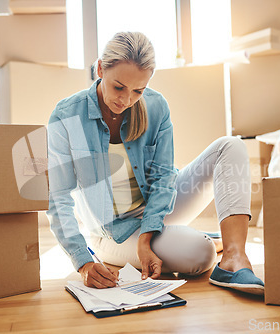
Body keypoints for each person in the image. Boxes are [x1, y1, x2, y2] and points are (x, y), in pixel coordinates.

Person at [47, 32, 264, 295]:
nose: (126, 100)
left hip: (160, 207)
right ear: (101, 69)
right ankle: (207, 241)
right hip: (114, 232)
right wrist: (83, 262)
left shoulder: (156, 105)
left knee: (232, 146)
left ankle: (233, 259)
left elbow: (163, 177)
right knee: (200, 255)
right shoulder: (67, 115)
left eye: (138, 90)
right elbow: (58, 198)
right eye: (118, 87)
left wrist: (147, 237)